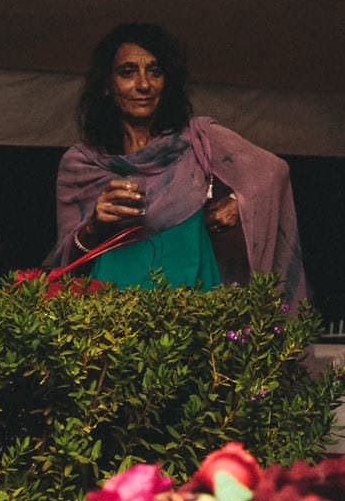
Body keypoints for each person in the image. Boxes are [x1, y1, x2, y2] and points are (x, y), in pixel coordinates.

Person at [52, 22, 308, 299]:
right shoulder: (82, 164)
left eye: (155, 72)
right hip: (113, 301)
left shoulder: (198, 139)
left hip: (190, 295)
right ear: (106, 86)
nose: (143, 85)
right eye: (128, 73)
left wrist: (239, 202)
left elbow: (274, 171)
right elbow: (68, 263)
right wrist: (94, 225)